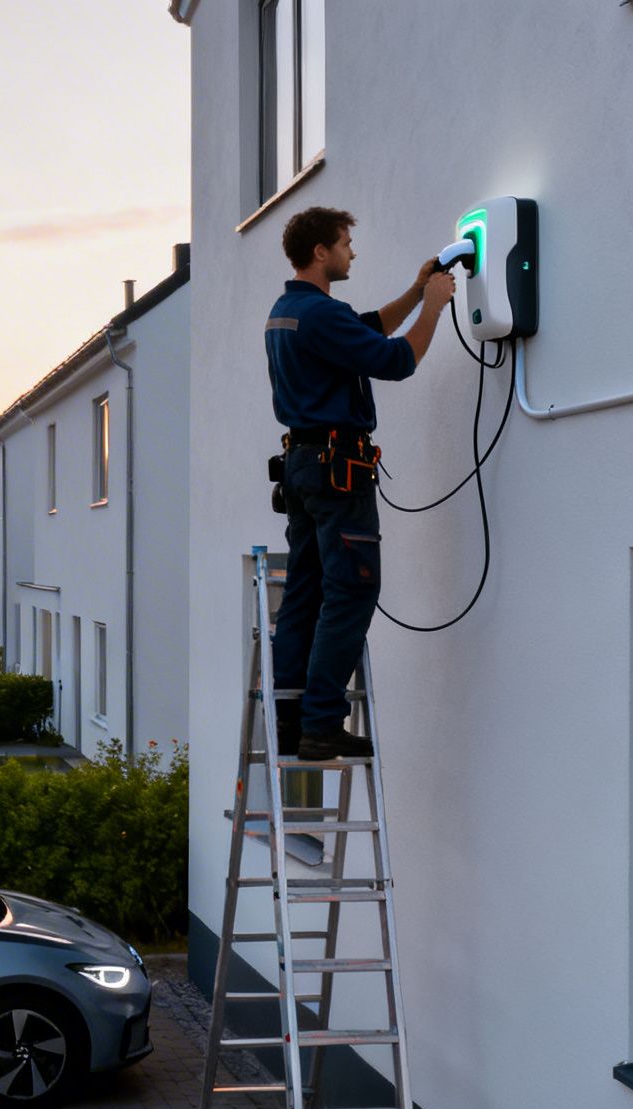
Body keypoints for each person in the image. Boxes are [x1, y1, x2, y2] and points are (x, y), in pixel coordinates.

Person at [268, 207, 456, 761]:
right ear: (321, 252)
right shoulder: (320, 314)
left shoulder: (289, 311)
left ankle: (290, 721)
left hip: (305, 466)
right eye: (346, 243)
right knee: (351, 590)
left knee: (304, 592)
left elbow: (369, 328)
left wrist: (416, 292)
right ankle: (323, 724)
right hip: (336, 469)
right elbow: (397, 360)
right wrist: (435, 308)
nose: (353, 251)